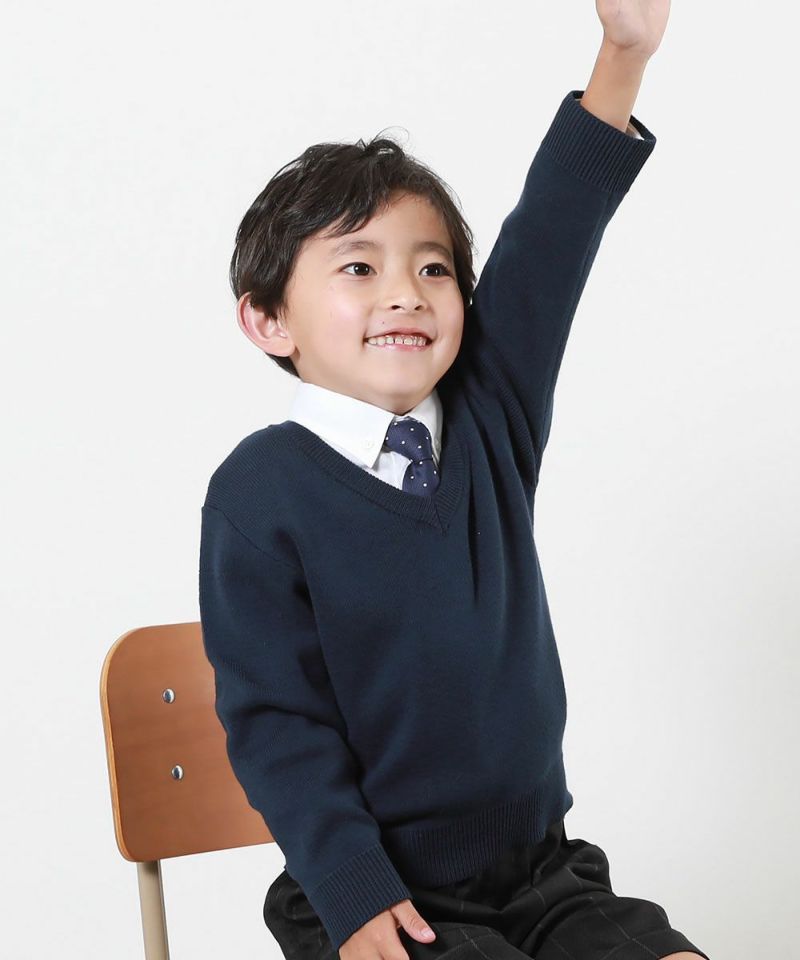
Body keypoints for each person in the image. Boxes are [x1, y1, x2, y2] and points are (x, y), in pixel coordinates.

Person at [198, 2, 709, 959]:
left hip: (546, 877)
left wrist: (623, 53)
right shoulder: (259, 494)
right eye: (359, 267)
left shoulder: (489, 417)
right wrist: (352, 889)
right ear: (270, 320)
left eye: (434, 269)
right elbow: (276, 721)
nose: (406, 292)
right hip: (379, 892)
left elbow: (551, 237)